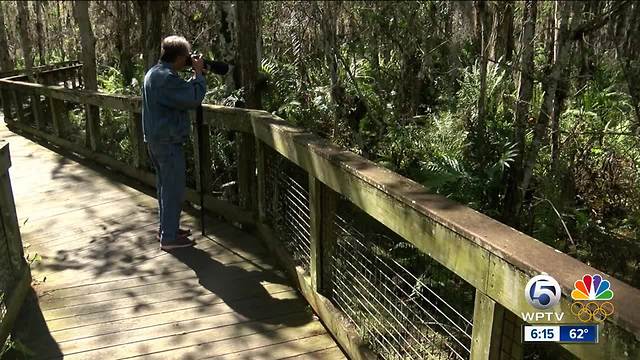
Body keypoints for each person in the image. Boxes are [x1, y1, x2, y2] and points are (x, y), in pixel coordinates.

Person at [142, 35, 205, 250]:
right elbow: (193, 98)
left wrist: (193, 75)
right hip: (167, 142)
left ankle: (167, 229)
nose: (187, 61)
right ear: (178, 57)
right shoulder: (166, 78)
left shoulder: (155, 73)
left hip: (156, 140)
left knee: (164, 187)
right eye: (186, 57)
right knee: (173, 189)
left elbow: (178, 95)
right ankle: (169, 238)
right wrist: (198, 74)